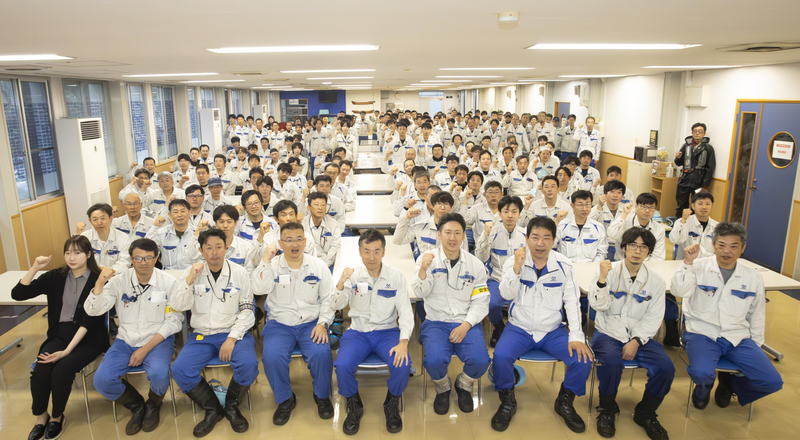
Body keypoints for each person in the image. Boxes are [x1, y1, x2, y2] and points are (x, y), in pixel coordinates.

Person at [491, 217, 592, 433]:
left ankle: (564, 401)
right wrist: (516, 269)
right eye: (535, 237)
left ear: (554, 240)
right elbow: (505, 294)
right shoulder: (514, 261)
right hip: (519, 327)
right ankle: (507, 400)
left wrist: (576, 336)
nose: (540, 243)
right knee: (500, 356)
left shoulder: (564, 265)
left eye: (546, 238)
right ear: (526, 238)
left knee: (582, 360)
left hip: (552, 330)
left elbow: (572, 302)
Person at [672, 223, 783, 413]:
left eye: (733, 246)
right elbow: (678, 291)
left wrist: (756, 345)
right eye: (721, 245)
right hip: (702, 333)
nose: (727, 251)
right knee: (701, 373)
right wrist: (687, 263)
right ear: (713, 244)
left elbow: (757, 313)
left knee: (772, 381)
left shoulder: (752, 277)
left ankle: (730, 385)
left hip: (737, 337)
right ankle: (705, 385)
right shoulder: (698, 266)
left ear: (743, 248)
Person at [12, 236, 109, 440]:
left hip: (89, 336)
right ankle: (41, 417)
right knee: (40, 370)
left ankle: (56, 417)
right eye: (67, 253)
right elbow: (18, 294)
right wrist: (35, 268)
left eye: (77, 253)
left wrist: (66, 352)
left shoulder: (99, 278)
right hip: (60, 334)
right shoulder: (56, 276)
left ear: (88, 255)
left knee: (61, 371)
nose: (71, 257)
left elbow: (90, 321)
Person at [86, 239, 183, 435]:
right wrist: (99, 283)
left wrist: (145, 349)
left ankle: (153, 404)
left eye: (148, 258)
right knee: (102, 380)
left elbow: (174, 320)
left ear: (156, 258)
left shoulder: (169, 282)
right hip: (125, 340)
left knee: (159, 374)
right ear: (131, 259)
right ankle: (137, 405)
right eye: (138, 258)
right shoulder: (119, 281)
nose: (143, 262)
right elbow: (93, 310)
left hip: (157, 340)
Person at [169, 229, 258, 436]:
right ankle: (213, 409)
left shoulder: (240, 273)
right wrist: (189, 280)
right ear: (201, 250)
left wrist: (232, 338)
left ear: (226, 248)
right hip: (202, 335)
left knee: (248, 365)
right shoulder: (192, 272)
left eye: (219, 246)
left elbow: (247, 311)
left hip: (234, 332)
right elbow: (178, 305)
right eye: (208, 248)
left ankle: (232, 406)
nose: (214, 252)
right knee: (180, 369)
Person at [588, 229, 674, 440]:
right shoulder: (607, 272)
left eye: (643, 247)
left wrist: (636, 340)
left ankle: (646, 413)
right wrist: (602, 279)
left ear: (649, 252)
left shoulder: (656, 282)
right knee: (612, 363)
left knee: (666, 368)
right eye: (633, 245)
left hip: (640, 336)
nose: (637, 251)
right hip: (608, 332)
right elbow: (598, 305)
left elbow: (654, 318)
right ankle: (607, 409)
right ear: (624, 248)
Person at [252, 222, 335, 425]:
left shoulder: (318, 266)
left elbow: (329, 299)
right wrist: (265, 260)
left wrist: (323, 323)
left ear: (305, 241)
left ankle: (322, 396)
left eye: (298, 239)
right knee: (272, 357)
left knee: (321, 354)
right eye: (288, 240)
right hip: (279, 323)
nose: (294, 244)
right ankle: (285, 399)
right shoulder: (272, 265)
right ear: (280, 243)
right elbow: (258, 289)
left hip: (311, 322)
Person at [331, 230, 413, 435]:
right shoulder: (353, 275)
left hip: (387, 331)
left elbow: (405, 312)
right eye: (366, 251)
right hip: (358, 332)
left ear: (384, 252)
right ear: (360, 252)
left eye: (376, 251)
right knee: (342, 365)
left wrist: (403, 342)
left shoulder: (396, 276)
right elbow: (336, 305)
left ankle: (391, 403)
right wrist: (340, 282)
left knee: (403, 364)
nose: (371, 257)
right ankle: (354, 403)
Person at [412, 213, 491, 415]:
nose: (452, 237)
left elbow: (481, 301)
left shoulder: (475, 265)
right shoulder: (426, 259)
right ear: (439, 235)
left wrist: (466, 325)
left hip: (466, 321)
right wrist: (423, 271)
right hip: (436, 321)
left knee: (481, 361)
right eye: (447, 232)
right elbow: (420, 293)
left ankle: (463, 384)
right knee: (434, 361)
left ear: (464, 236)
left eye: (457, 233)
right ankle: (443, 387)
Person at [476, 196, 526, 347]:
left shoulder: (526, 234)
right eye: (506, 211)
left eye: (514, 212)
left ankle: (515, 332)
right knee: (491, 305)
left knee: (524, 305)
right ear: (499, 213)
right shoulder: (491, 232)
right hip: (496, 279)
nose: (510, 215)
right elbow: (480, 258)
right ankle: (499, 327)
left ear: (519, 214)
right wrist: (485, 236)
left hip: (520, 279)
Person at [674, 122, 716, 218]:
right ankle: (680, 224)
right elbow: (678, 163)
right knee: (681, 204)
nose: (697, 133)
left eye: (700, 131)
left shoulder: (708, 149)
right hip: (684, 179)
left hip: (699, 182)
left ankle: (693, 224)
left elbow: (711, 168)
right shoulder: (686, 146)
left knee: (697, 205)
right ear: (692, 133)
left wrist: (704, 186)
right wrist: (678, 158)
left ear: (704, 133)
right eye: (695, 131)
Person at [607, 193, 666, 261]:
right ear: (636, 206)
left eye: (651, 208)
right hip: (622, 262)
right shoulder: (625, 220)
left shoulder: (659, 229)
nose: (647, 211)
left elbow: (658, 257)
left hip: (646, 264)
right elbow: (611, 235)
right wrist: (624, 214)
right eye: (644, 207)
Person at [75, 203, 131, 273]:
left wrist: (108, 272)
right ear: (90, 221)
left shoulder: (122, 237)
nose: (99, 222)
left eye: (103, 218)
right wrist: (76, 235)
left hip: (115, 275)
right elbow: (76, 258)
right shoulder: (85, 236)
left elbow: (125, 261)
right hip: (92, 275)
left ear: (111, 218)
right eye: (95, 219)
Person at [556, 190, 608, 263]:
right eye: (580, 205)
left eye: (587, 204)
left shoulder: (598, 227)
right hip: (567, 266)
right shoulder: (562, 225)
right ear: (572, 206)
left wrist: (592, 266)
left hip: (590, 267)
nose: (584, 208)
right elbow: (552, 246)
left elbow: (602, 253)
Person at [146, 199, 197, 270]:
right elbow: (146, 247)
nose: (179, 215)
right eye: (175, 212)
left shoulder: (197, 232)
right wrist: (155, 227)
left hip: (192, 273)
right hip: (168, 274)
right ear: (169, 215)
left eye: (182, 211)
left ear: (189, 213)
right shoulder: (162, 233)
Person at [590, 180, 633, 261]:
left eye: (619, 192)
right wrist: (599, 207)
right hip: (601, 245)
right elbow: (589, 224)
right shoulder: (597, 209)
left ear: (622, 195)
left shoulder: (626, 210)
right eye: (612, 192)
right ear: (605, 194)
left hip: (621, 245)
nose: (615, 195)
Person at [671, 192, 718, 259]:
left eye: (707, 204)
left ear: (712, 206)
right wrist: (683, 221)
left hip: (707, 263)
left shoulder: (717, 226)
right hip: (685, 262)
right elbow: (675, 240)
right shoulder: (683, 221)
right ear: (693, 206)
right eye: (700, 204)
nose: (704, 207)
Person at [302, 191, 342, 270]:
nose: (320, 208)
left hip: (328, 265)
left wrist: (323, 265)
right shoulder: (302, 225)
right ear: (309, 207)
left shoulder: (333, 225)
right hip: (306, 265)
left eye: (323, 205)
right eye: (316, 204)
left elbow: (335, 247)